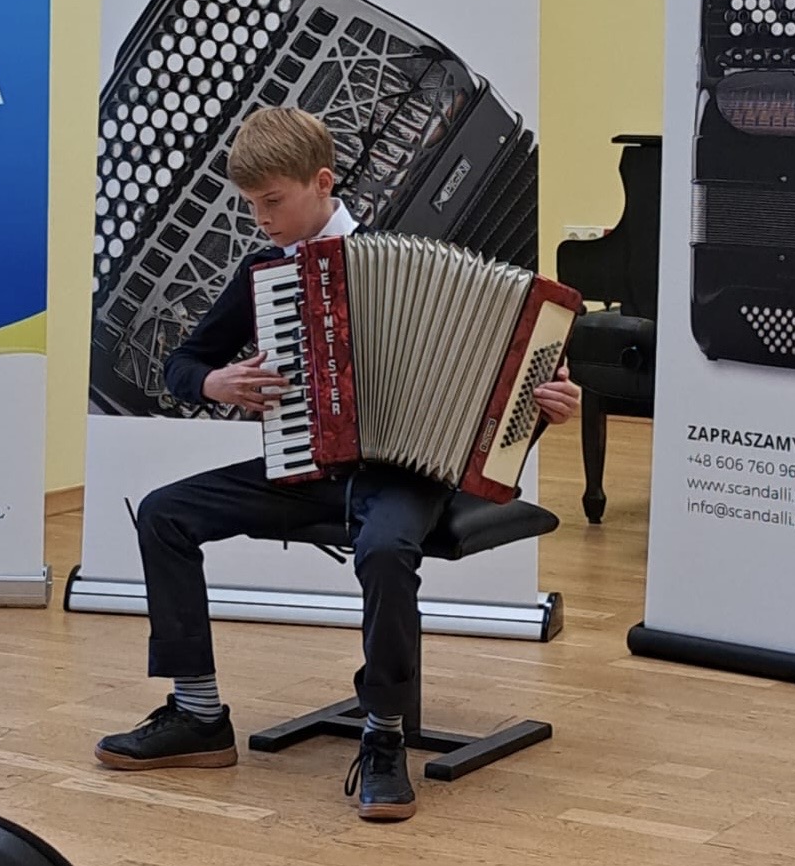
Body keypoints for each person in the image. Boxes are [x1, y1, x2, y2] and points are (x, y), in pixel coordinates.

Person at [95, 107, 581, 821]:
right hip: (311, 470)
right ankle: (197, 713)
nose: (260, 219)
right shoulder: (267, 274)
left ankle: (383, 734)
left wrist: (550, 400)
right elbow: (184, 362)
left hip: (409, 476)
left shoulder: (414, 247)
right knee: (166, 512)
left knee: (384, 548)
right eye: (250, 204)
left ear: (322, 183)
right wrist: (214, 383)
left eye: (272, 201)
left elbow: (513, 371)